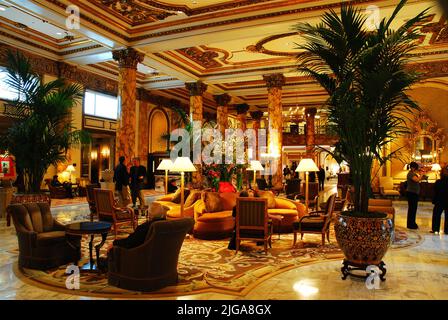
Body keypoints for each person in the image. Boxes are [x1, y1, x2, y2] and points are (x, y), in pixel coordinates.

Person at [406, 162, 425, 229]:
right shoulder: (410, 174)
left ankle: (412, 223)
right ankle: (411, 224)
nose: (416, 169)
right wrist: (421, 175)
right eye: (415, 168)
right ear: (412, 167)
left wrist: (420, 174)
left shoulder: (413, 173)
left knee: (413, 209)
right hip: (412, 193)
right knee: (412, 209)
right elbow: (416, 180)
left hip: (414, 193)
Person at [431, 166, 448, 234]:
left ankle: (435, 229)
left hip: (439, 200)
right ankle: (447, 230)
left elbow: (435, 191)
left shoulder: (438, 182)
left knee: (436, 215)